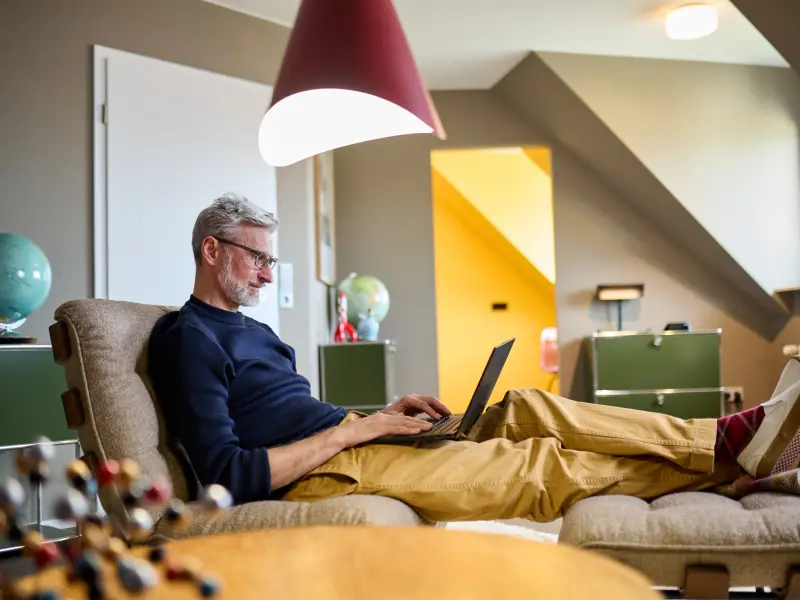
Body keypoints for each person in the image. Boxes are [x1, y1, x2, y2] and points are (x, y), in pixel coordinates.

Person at [148, 193, 800, 523]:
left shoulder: (256, 333)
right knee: (538, 465)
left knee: (526, 404)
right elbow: (228, 475)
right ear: (211, 250)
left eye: (270, 259)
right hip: (325, 475)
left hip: (350, 439)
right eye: (256, 256)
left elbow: (298, 417)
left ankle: (717, 440)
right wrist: (362, 429)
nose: (267, 273)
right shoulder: (189, 338)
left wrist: (379, 413)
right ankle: (728, 467)